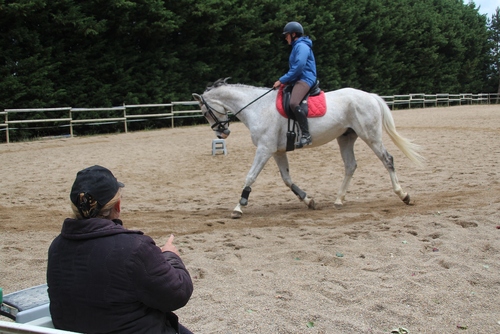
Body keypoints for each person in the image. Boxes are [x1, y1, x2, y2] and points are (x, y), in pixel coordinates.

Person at [47, 165, 193, 334]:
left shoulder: (57, 247)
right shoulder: (134, 249)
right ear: (117, 206)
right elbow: (177, 294)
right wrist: (170, 256)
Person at [273, 21, 317, 148]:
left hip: (306, 78)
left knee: (293, 103)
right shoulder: (297, 46)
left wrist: (282, 80)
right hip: (298, 78)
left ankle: (306, 135)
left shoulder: (301, 46)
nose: (285, 38)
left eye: (286, 35)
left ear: (293, 34)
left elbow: (299, 67)